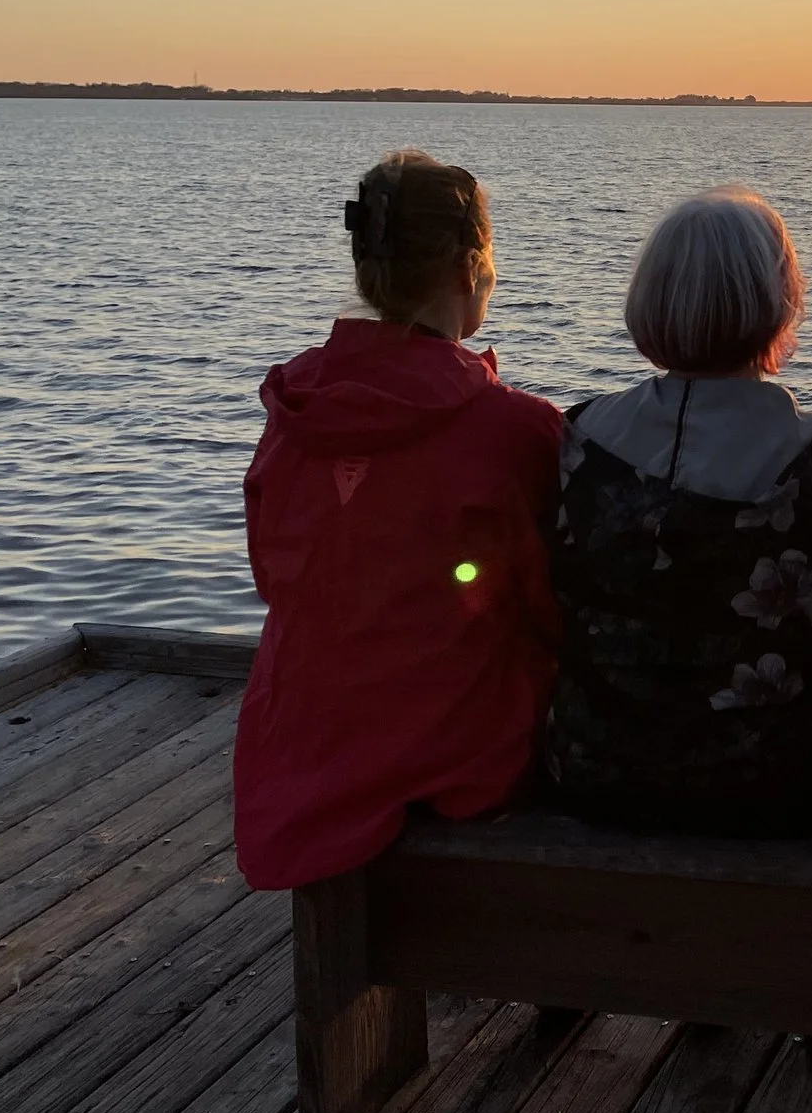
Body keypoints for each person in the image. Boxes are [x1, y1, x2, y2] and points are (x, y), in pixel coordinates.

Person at [233, 149, 565, 891]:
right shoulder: (515, 431)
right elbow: (552, 608)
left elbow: (272, 575)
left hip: (300, 750)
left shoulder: (293, 416)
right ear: (470, 268)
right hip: (458, 755)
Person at [543, 186, 812, 835]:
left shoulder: (578, 442)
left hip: (594, 774)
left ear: (651, 297)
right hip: (783, 789)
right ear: (779, 302)